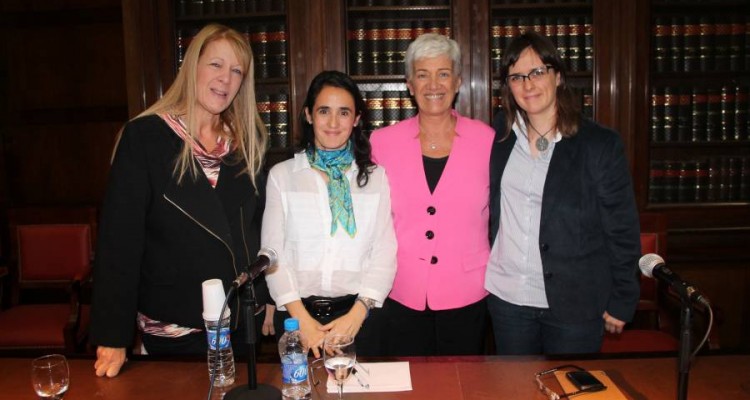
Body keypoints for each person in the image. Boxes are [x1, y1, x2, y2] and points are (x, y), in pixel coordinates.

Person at [90, 23, 271, 377]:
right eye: (216, 65)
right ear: (193, 66)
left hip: (234, 324)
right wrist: (113, 335)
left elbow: (255, 230)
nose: (226, 79)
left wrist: (261, 297)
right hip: (173, 328)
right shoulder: (145, 138)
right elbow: (119, 243)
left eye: (237, 71)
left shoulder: (246, 145)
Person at [486, 31, 641, 355]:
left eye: (537, 72)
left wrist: (624, 298)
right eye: (517, 77)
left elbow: (622, 228)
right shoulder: (499, 135)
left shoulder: (599, 144)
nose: (528, 85)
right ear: (508, 87)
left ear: (557, 76)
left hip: (575, 303)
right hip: (508, 299)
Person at [369, 33, 494, 356]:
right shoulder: (381, 143)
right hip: (402, 291)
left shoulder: (488, 140)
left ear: (458, 82)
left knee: (464, 384)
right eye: (422, 75)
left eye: (443, 74)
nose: (433, 85)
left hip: (468, 291)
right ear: (410, 84)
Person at [262, 70, 397, 358]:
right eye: (324, 111)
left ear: (357, 119)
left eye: (344, 112)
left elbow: (384, 252)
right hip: (295, 317)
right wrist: (303, 323)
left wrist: (356, 316)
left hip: (359, 318)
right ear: (308, 115)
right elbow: (273, 256)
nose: (333, 123)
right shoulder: (282, 176)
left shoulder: (376, 178)